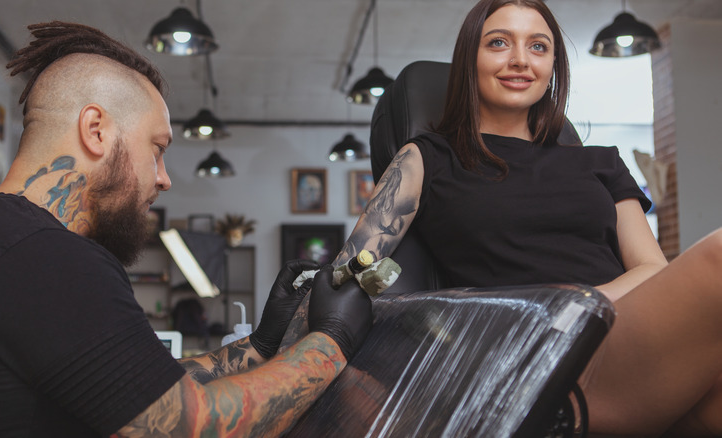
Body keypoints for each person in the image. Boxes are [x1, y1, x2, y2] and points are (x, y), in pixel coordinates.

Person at [294, 0, 722, 435]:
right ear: (469, 59)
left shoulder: (601, 162)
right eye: (499, 43)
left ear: (553, 64)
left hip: (622, 330)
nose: (520, 59)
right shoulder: (426, 158)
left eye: (538, 46)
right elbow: (347, 279)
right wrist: (270, 352)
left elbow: (652, 269)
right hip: (528, 357)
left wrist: (580, 306)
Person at [0, 21, 373, 438]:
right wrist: (329, 342)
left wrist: (259, 345)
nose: (164, 178)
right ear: (96, 131)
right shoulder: (44, 256)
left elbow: (142, 391)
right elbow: (189, 426)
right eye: (158, 150)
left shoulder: (5, 239)